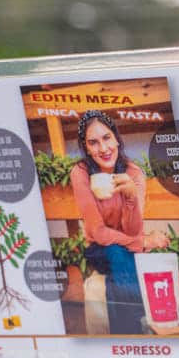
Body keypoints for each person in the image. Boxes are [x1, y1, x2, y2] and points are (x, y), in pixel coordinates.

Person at [70, 109, 168, 335]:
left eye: (106, 138)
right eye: (93, 142)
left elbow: (133, 228)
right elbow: (98, 232)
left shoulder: (134, 173)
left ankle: (126, 333)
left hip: (126, 249)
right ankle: (141, 324)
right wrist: (142, 243)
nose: (103, 149)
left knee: (119, 259)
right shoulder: (81, 172)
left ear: (116, 137)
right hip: (98, 249)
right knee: (114, 251)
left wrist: (131, 196)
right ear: (86, 147)